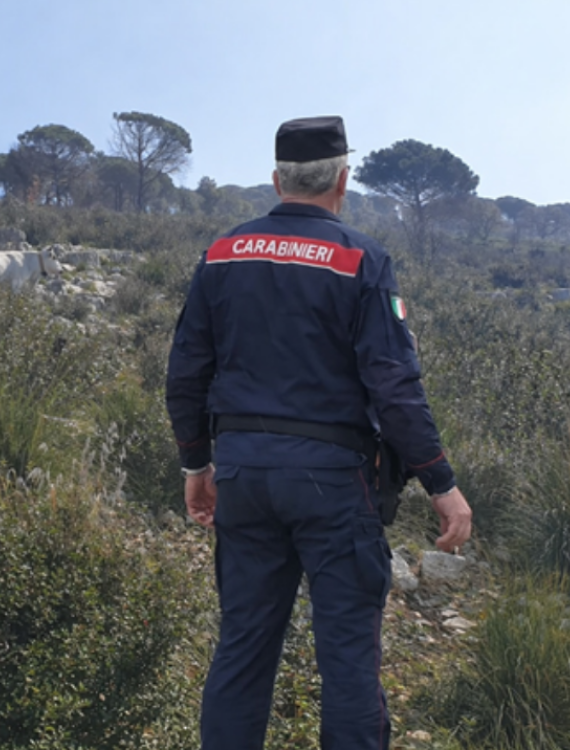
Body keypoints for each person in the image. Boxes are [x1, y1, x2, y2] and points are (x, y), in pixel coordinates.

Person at [164, 115, 472, 750]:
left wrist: (197, 467)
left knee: (242, 652)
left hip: (244, 476)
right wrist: (440, 482)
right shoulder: (362, 258)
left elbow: (186, 370)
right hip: (334, 483)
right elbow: (393, 385)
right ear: (343, 181)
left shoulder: (222, 253)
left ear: (277, 180)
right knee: (349, 664)